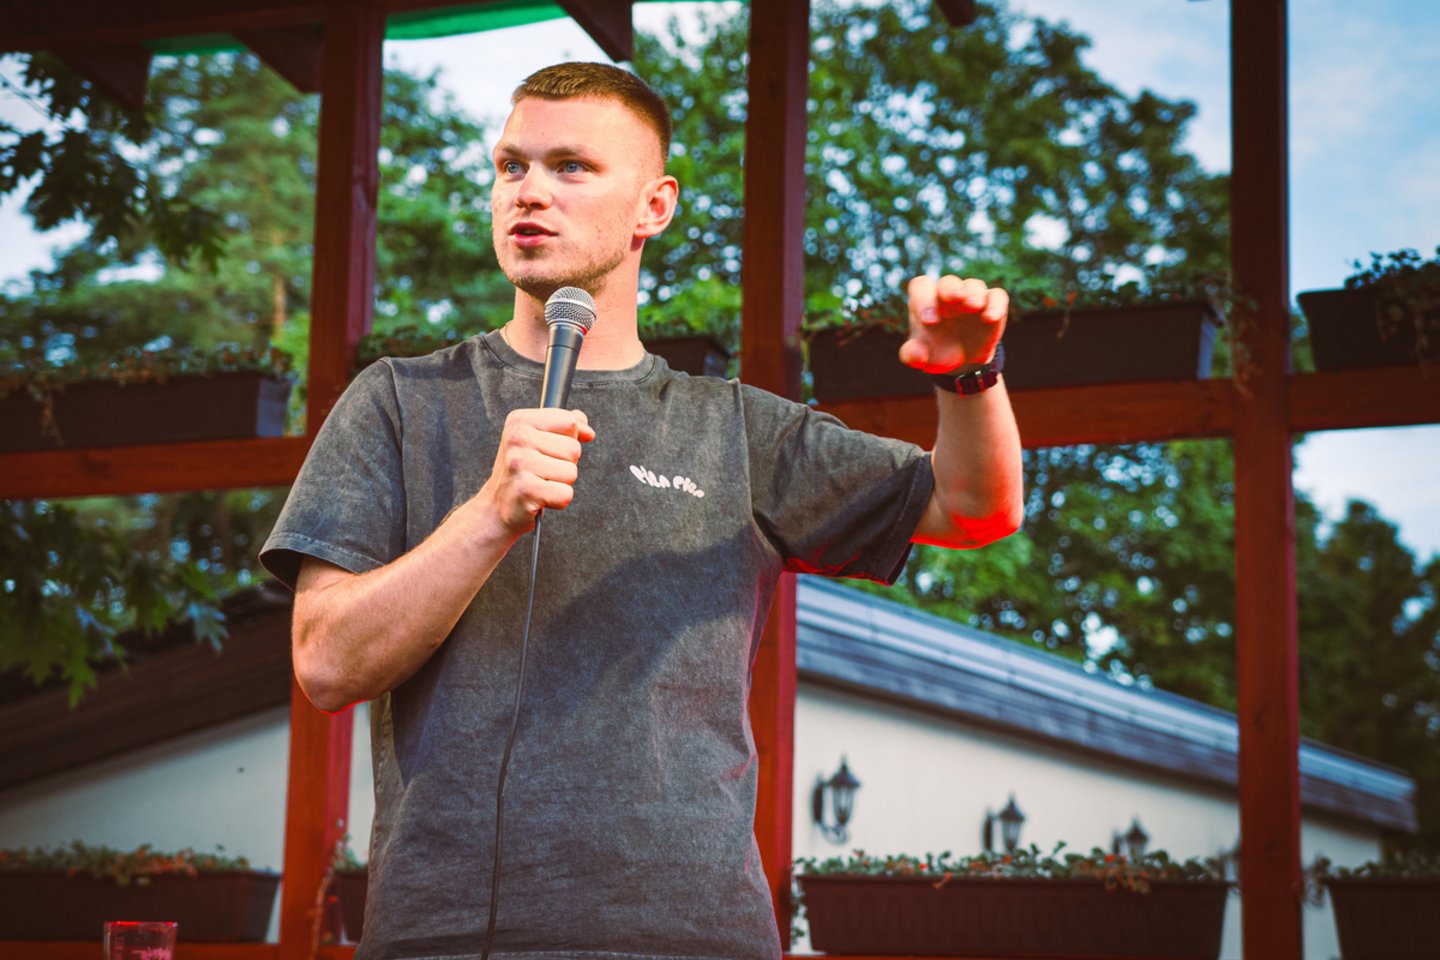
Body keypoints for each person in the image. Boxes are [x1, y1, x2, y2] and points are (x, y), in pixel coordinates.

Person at [260, 62, 1022, 960]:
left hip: (692, 939)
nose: (529, 191)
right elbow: (326, 664)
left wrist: (970, 376)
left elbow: (974, 507)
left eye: (571, 167)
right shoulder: (400, 401)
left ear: (653, 208)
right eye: (511, 166)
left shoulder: (734, 429)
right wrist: (490, 515)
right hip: (444, 939)